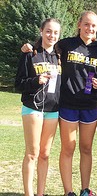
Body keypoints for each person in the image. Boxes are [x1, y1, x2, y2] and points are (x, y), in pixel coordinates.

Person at [21, 11, 97, 196]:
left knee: (87, 148)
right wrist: (28, 47)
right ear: (79, 25)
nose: (90, 28)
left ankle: (85, 189)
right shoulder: (65, 44)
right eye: (86, 24)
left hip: (90, 104)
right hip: (67, 104)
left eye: (93, 25)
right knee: (68, 148)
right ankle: (69, 191)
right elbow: (44, 46)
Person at [15, 18, 61, 196]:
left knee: (45, 154)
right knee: (32, 153)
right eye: (48, 31)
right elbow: (18, 83)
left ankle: (40, 193)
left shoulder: (59, 56)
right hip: (32, 108)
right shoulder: (30, 53)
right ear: (41, 31)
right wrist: (36, 81)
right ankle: (29, 194)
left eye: (56, 32)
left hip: (53, 109)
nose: (52, 35)